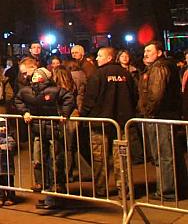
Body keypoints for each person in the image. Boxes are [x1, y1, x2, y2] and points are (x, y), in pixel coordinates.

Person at [14, 67, 76, 210]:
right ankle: (45, 189)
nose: (35, 76)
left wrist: (64, 114)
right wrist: (25, 112)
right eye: (34, 74)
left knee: (55, 161)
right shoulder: (27, 91)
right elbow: (17, 99)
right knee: (39, 160)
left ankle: (56, 193)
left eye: (38, 74)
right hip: (38, 131)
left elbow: (69, 98)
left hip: (53, 131)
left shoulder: (55, 90)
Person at [80, 46, 137, 197]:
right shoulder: (126, 74)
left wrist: (83, 116)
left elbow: (90, 99)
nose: (96, 59)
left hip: (100, 124)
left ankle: (100, 189)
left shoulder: (97, 75)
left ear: (109, 57)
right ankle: (124, 190)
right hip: (122, 123)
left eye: (100, 56)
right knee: (122, 158)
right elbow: (134, 96)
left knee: (99, 158)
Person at [138, 40, 182, 200]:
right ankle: (173, 187)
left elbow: (156, 95)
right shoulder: (163, 66)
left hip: (160, 117)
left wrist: (148, 112)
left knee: (164, 155)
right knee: (168, 154)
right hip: (165, 115)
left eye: (149, 51)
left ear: (159, 52)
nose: (146, 54)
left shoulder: (158, 68)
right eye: (145, 51)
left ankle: (167, 190)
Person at [0, 117, 17, 207]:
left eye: (4, 126)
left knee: (9, 182)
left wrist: (2, 147)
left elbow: (11, 145)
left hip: (7, 166)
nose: (3, 128)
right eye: (0, 127)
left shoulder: (9, 138)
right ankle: (0, 198)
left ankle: (10, 197)